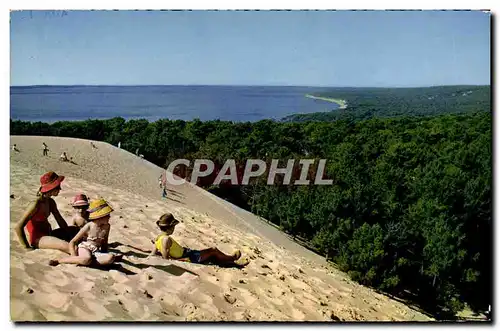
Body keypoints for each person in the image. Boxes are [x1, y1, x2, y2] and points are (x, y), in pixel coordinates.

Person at [148, 213, 249, 267]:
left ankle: (228, 260)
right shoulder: (166, 239)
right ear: (170, 227)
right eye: (173, 226)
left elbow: (153, 253)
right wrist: (180, 260)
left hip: (188, 253)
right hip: (189, 257)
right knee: (213, 250)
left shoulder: (159, 238)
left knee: (211, 255)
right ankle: (232, 259)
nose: (174, 228)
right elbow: (166, 259)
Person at [15, 171, 79, 253]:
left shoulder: (50, 202)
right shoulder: (36, 203)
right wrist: (26, 247)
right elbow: (18, 227)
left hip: (49, 233)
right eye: (58, 186)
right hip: (39, 238)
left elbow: (59, 220)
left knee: (77, 230)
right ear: (52, 188)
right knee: (69, 247)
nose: (60, 189)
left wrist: (69, 233)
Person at [49, 198, 122, 267]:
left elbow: (104, 242)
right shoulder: (89, 226)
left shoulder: (107, 226)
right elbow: (73, 242)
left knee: (110, 257)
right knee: (86, 259)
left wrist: (105, 254)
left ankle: (88, 262)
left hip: (96, 251)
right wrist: (74, 257)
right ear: (99, 217)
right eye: (107, 215)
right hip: (85, 248)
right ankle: (59, 261)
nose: (109, 217)